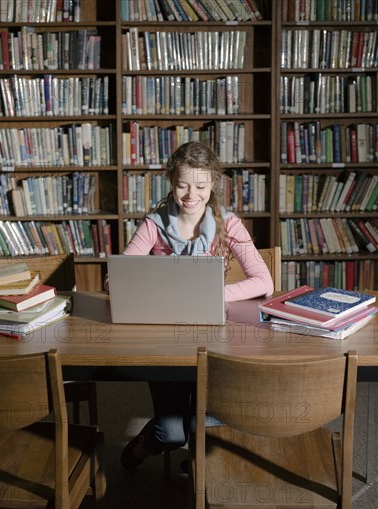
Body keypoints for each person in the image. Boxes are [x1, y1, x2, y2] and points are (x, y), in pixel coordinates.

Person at [117, 141, 274, 469]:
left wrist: (212, 294)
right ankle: (147, 444)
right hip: (167, 342)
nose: (191, 195)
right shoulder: (154, 224)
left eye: (201, 186)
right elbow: (117, 278)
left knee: (203, 423)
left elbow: (264, 282)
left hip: (215, 338)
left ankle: (200, 461)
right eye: (182, 185)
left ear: (214, 183)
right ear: (171, 182)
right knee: (171, 433)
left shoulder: (228, 224)